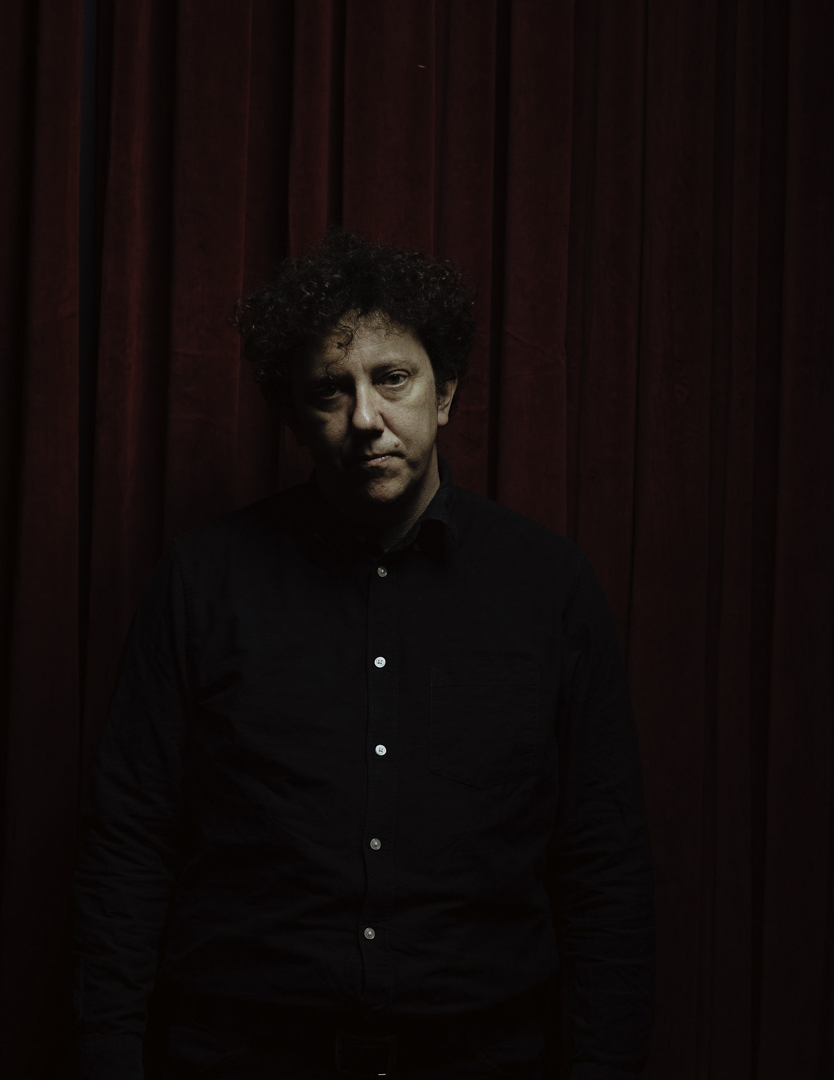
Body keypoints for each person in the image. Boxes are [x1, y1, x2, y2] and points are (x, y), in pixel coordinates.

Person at [74, 231, 655, 1079]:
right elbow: (130, 841)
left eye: (392, 378)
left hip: (479, 1058)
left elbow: (604, 861)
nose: (364, 419)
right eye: (328, 391)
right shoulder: (204, 578)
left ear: (444, 392)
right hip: (241, 1055)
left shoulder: (549, 586)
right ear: (295, 418)